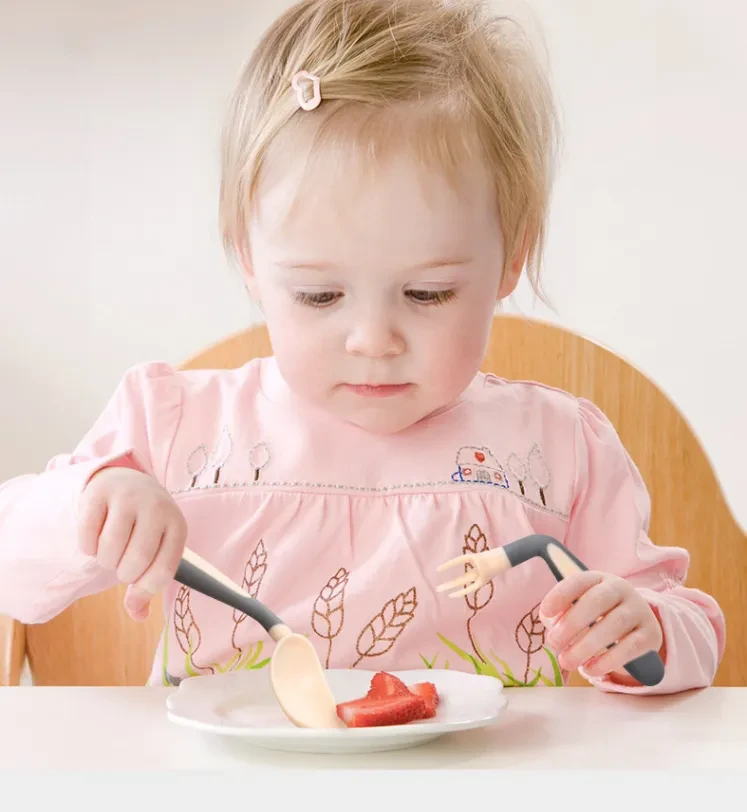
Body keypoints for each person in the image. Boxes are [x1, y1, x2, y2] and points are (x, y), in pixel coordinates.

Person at [0, 0, 724, 692]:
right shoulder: (174, 423)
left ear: (510, 259)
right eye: (319, 296)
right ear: (249, 258)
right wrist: (88, 507)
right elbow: (14, 570)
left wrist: (646, 632)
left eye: (427, 294)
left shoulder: (560, 448)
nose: (373, 340)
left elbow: (686, 631)